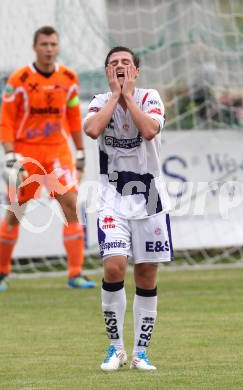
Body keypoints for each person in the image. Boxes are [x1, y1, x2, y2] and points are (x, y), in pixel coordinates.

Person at [84, 46, 173, 371]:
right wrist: (114, 97)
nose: (120, 66)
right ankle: (115, 349)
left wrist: (128, 97)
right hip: (112, 197)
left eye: (126, 63)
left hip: (150, 197)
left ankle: (140, 353)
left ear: (136, 71)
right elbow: (93, 130)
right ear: (107, 71)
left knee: (146, 273)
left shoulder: (151, 97)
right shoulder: (97, 101)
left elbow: (149, 130)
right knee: (114, 267)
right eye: (113, 63)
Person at [0, 26, 95, 291]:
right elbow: (6, 121)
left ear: (58, 47)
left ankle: (75, 273)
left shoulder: (69, 78)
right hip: (26, 154)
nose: (49, 49)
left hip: (57, 152)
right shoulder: (20, 79)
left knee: (71, 206)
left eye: (53, 44)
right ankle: (2, 273)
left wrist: (80, 152)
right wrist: (10, 155)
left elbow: (73, 118)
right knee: (15, 213)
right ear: (34, 47)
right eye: (44, 44)